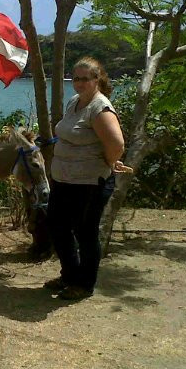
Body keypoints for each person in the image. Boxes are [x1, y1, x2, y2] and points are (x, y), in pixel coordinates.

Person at [44, 56, 132, 300]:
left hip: (90, 183)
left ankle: (84, 284)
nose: (79, 83)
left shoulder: (100, 108)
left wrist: (108, 162)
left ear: (97, 79)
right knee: (57, 226)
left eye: (85, 78)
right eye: (76, 78)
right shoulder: (75, 101)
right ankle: (69, 275)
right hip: (65, 180)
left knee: (85, 232)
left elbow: (116, 144)